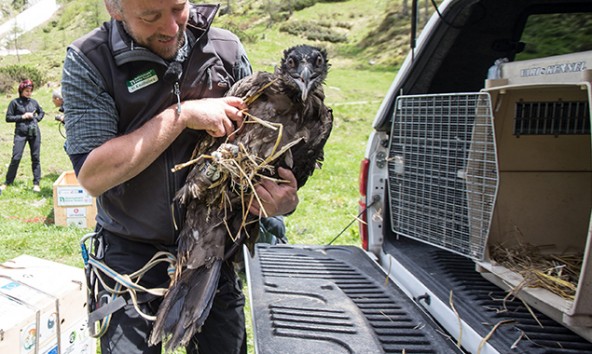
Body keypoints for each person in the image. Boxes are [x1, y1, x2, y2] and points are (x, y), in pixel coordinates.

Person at [61, 1, 298, 354]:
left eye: (177, 8)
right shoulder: (91, 59)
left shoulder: (226, 51)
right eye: (150, 16)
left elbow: (265, 152)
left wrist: (282, 200)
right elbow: (94, 176)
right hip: (132, 259)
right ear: (116, 9)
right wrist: (181, 116)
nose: (171, 28)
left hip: (214, 249)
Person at [1, 79, 45, 193]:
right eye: (26, 91)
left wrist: (36, 118)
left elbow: (41, 112)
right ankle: (8, 182)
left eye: (30, 91)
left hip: (34, 132)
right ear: (21, 90)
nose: (29, 93)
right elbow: (8, 118)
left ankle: (36, 183)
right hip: (20, 133)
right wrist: (22, 117)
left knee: (35, 158)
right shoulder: (14, 103)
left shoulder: (34, 102)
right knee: (16, 157)